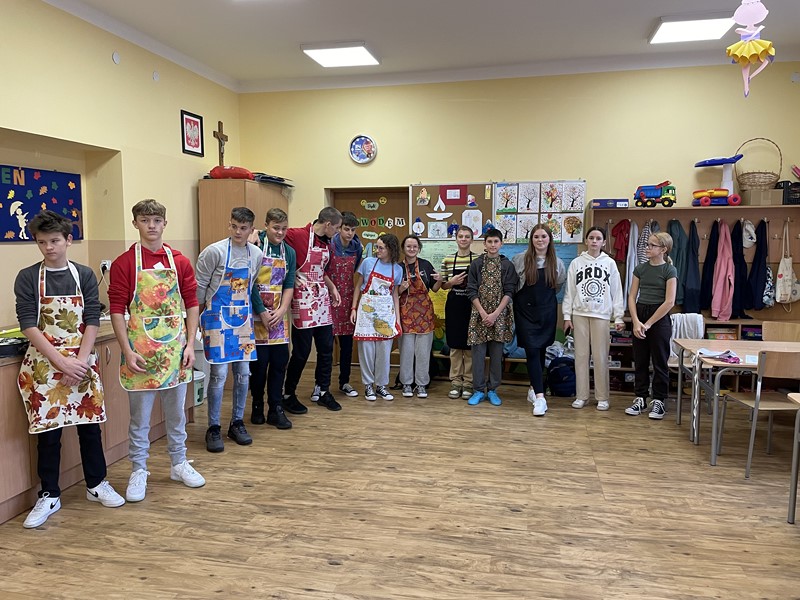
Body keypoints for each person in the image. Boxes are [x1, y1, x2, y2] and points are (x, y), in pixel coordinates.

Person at [16, 210, 124, 528]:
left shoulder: (84, 274)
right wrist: (60, 361)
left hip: (81, 359)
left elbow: (92, 318)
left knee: (89, 427)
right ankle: (49, 494)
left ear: (68, 240)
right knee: (48, 433)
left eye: (54, 241)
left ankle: (96, 484)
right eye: (42, 242)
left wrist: (80, 360)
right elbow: (28, 323)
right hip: (44, 364)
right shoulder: (28, 277)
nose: (48, 248)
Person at [109, 199, 206, 501]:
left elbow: (192, 303)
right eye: (144, 220)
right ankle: (139, 470)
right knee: (140, 419)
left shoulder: (180, 262)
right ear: (135, 223)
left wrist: (190, 345)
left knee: (177, 414)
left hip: (175, 352)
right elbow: (116, 309)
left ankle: (179, 463)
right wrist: (127, 350)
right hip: (140, 355)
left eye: (156, 220)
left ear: (165, 223)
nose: (151, 225)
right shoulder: (125, 263)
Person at [196, 206, 262, 452]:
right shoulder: (214, 252)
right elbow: (200, 288)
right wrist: (198, 318)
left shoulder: (256, 254)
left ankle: (237, 422)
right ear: (229, 225)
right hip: (216, 317)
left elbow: (250, 286)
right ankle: (213, 427)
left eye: (243, 228)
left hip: (242, 319)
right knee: (219, 375)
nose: (238, 231)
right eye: (234, 226)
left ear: (251, 229)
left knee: (243, 373)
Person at [282, 207, 343, 413]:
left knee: (326, 348)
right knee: (302, 352)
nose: (337, 232)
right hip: (303, 300)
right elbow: (273, 235)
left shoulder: (326, 243)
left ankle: (323, 390)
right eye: (336, 228)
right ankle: (288, 394)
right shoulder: (297, 235)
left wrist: (332, 287)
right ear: (327, 224)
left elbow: (321, 271)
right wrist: (255, 235)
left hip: (321, 299)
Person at [562, 227, 625, 412]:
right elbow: (570, 291)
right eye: (591, 238)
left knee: (601, 357)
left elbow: (617, 291)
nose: (594, 241)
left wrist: (618, 316)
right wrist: (567, 315)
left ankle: (602, 397)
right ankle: (581, 395)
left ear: (604, 242)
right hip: (579, 314)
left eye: (598, 238)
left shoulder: (610, 263)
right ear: (586, 241)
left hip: (602, 315)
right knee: (580, 357)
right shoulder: (576, 263)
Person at [248, 208, 296, 429]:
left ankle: (276, 407)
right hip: (256, 315)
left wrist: (283, 309)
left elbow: (289, 284)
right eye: (276, 228)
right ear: (266, 225)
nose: (280, 233)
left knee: (279, 363)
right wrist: (261, 311)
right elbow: (250, 282)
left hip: (278, 317)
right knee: (259, 366)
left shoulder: (289, 252)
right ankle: (257, 404)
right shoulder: (256, 246)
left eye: (284, 228)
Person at [512, 224, 566, 417]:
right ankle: (541, 398)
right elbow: (513, 284)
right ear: (531, 239)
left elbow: (558, 285)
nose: (540, 240)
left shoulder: (557, 263)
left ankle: (533, 388)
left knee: (541, 349)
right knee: (532, 350)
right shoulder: (519, 259)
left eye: (543, 236)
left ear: (549, 239)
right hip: (525, 312)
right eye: (536, 237)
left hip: (546, 312)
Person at [625, 231, 677, 420]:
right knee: (640, 360)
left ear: (663, 249)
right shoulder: (640, 268)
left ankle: (659, 400)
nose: (647, 248)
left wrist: (647, 324)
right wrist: (636, 321)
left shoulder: (669, 270)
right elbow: (632, 296)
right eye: (647, 244)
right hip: (640, 313)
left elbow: (669, 302)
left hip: (659, 317)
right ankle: (640, 397)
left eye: (651, 245)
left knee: (659, 361)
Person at [466, 228, 518, 407]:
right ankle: (478, 390)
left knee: (496, 355)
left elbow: (510, 291)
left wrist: (495, 314)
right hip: (478, 314)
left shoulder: (507, 265)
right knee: (478, 355)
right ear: (484, 243)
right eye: (489, 241)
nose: (493, 245)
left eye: (496, 241)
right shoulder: (476, 264)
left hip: (500, 316)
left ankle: (493, 389)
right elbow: (471, 289)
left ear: (501, 243)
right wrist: (482, 313)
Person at [351, 233, 403, 401]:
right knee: (366, 351)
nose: (377, 250)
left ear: (390, 250)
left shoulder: (397, 269)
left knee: (384, 352)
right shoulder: (368, 263)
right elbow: (358, 287)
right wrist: (353, 308)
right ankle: (368, 385)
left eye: (381, 248)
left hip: (386, 314)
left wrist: (397, 320)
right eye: (377, 247)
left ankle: (381, 385)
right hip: (366, 313)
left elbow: (395, 295)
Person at [398, 234, 442, 398]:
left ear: (419, 248)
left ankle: (422, 384)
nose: (411, 249)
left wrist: (440, 279)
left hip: (425, 313)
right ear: (403, 248)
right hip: (405, 312)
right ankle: (406, 383)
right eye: (408, 246)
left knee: (423, 352)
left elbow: (435, 289)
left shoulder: (426, 265)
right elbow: (393, 293)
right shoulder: (398, 268)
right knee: (407, 351)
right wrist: (401, 289)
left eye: (415, 246)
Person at [327, 211, 363, 398]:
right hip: (328, 298)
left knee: (347, 346)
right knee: (326, 345)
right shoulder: (330, 245)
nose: (349, 233)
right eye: (346, 229)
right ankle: (321, 385)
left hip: (348, 298)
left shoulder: (357, 248)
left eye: (352, 230)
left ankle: (345, 382)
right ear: (339, 229)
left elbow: (355, 269)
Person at [440, 226, 476, 399]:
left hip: (472, 306)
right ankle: (455, 382)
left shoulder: (478, 260)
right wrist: (452, 282)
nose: (463, 239)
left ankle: (468, 383)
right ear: (456, 239)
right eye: (460, 236)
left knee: (469, 346)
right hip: (454, 306)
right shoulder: (447, 260)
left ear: (472, 239)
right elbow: (443, 286)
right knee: (454, 346)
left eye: (467, 236)